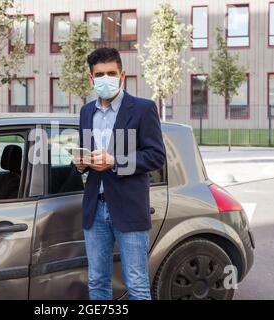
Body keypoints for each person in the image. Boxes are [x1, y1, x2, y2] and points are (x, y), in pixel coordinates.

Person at [73, 47, 166, 300]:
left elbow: (156, 156)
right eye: (99, 74)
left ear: (122, 75)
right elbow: (87, 153)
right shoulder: (86, 112)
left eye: (111, 73)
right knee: (97, 281)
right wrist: (81, 163)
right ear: (91, 79)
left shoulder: (143, 109)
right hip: (95, 209)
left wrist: (114, 161)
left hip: (129, 207)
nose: (105, 79)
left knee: (136, 284)